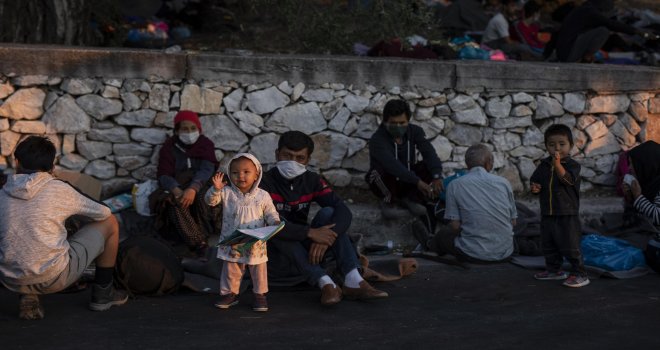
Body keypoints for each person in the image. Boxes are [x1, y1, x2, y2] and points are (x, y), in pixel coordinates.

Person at [0, 136, 128, 320]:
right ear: (52, 167)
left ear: (16, 162)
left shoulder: (2, 192)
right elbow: (104, 212)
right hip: (53, 278)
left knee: (22, 235)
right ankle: (103, 295)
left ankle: (28, 294)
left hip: (10, 278)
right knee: (111, 223)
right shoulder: (59, 189)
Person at [261, 131, 388, 306]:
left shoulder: (312, 180)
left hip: (304, 245)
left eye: (300, 158)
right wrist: (311, 233)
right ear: (277, 154)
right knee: (276, 229)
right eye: (287, 155)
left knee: (329, 213)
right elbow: (267, 224)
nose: (293, 162)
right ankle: (325, 283)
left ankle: (353, 280)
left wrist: (328, 237)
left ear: (308, 160)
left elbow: (343, 211)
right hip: (277, 251)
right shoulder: (263, 182)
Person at [205, 153, 279, 312]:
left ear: (256, 174)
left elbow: (271, 213)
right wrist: (215, 190)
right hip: (233, 241)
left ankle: (260, 295)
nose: (241, 176)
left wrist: (275, 222)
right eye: (235, 172)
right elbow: (210, 201)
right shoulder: (226, 193)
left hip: (255, 242)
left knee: (258, 269)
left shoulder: (262, 195)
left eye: (246, 172)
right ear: (229, 175)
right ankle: (230, 294)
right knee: (231, 268)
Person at [366, 99, 443, 248]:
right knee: (376, 173)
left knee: (426, 167)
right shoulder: (378, 139)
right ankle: (388, 201)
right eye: (393, 123)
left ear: (408, 121)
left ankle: (409, 199)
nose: (398, 127)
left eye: (402, 123)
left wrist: (436, 176)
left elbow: (429, 153)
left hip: (407, 180)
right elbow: (393, 166)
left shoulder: (415, 132)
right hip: (388, 181)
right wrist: (418, 182)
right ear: (385, 121)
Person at [427, 144, 517, 262]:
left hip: (472, 254)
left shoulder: (455, 185)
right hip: (506, 253)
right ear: (489, 162)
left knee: (445, 234)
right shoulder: (504, 183)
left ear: (467, 164)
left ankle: (429, 244)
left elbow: (455, 226)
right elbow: (513, 222)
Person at [530, 124, 589, 288]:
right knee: (549, 244)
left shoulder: (573, 165)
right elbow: (536, 181)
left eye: (562, 144)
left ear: (571, 145)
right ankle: (554, 270)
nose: (557, 148)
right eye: (551, 144)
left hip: (567, 213)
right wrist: (535, 188)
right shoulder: (543, 165)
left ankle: (579, 273)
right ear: (546, 146)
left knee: (570, 244)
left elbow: (568, 180)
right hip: (548, 212)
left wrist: (557, 165)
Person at [155, 110, 218, 256]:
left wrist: (193, 188)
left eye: (193, 128)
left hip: (202, 183)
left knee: (205, 198)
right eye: (184, 129)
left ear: (198, 129)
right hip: (178, 184)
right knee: (175, 203)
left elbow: (207, 169)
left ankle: (209, 233)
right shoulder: (169, 147)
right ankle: (200, 244)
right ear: (177, 130)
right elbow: (163, 174)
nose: (189, 132)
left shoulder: (205, 144)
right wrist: (176, 190)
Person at [553, 0, 650, 62]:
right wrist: (637, 31)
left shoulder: (582, 10)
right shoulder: (590, 12)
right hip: (568, 54)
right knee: (603, 31)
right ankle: (587, 57)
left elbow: (557, 33)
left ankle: (586, 57)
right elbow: (610, 24)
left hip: (565, 53)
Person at [623, 141, 660, 226]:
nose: (629, 168)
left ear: (646, 165)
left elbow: (658, 218)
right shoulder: (649, 182)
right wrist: (630, 197)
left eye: (632, 164)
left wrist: (638, 196)